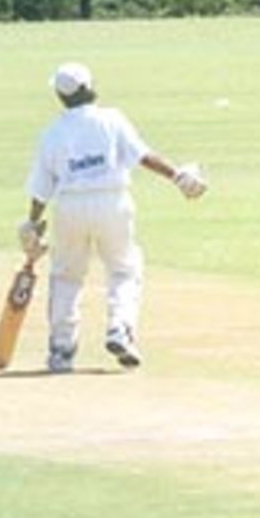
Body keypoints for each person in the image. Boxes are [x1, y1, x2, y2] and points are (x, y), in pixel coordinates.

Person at [19, 62, 207, 373]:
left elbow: (42, 187)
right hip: (112, 202)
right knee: (123, 270)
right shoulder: (111, 120)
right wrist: (177, 177)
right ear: (90, 87)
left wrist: (32, 224)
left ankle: (61, 350)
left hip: (70, 206)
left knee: (66, 276)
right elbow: (142, 156)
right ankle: (120, 329)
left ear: (60, 95)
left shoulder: (52, 133)